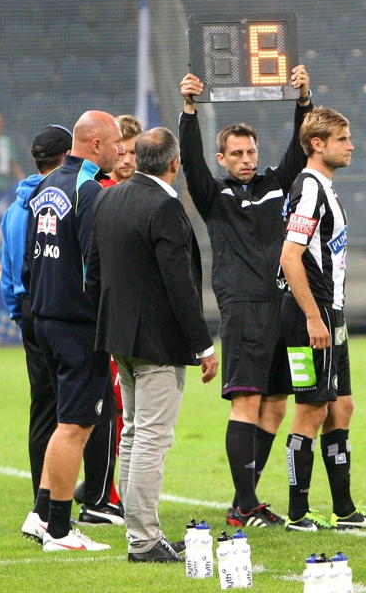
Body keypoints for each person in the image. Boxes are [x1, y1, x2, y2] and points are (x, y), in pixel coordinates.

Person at [179, 67, 312, 527]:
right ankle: (245, 502)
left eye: (251, 151)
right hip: (243, 309)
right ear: (222, 159)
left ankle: (246, 500)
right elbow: (191, 164)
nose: (246, 158)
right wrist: (189, 110)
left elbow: (299, 149)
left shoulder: (276, 185)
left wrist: (303, 100)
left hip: (281, 304)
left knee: (276, 403)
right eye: (236, 153)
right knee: (247, 401)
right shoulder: (214, 196)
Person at [87, 126, 219, 563]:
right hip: (157, 343)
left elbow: (93, 270)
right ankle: (144, 540)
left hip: (119, 337)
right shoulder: (164, 205)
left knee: (132, 435)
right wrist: (203, 346)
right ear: (174, 163)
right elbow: (179, 284)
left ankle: (138, 534)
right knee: (151, 439)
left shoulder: (108, 197)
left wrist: (110, 319)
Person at [1, 124, 123, 530]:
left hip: (45, 319)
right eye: (117, 143)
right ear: (96, 144)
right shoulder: (87, 191)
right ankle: (59, 528)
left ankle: (41, 515)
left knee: (59, 421)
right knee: (76, 426)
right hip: (78, 324)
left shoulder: (45, 186)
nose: (121, 151)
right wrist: (105, 316)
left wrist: (37, 306)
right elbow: (96, 264)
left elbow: (30, 262)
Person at [279, 107, 366, 531]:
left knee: (341, 405)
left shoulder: (324, 188)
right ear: (317, 144)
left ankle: (344, 510)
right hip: (312, 314)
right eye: (343, 139)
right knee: (311, 408)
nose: (351, 145)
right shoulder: (309, 188)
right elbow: (290, 257)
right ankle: (296, 513)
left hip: (331, 312)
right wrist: (312, 316)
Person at [75, 113, 143, 510]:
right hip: (107, 318)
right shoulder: (98, 192)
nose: (126, 157)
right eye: (122, 149)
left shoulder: (132, 193)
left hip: (125, 317)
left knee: (120, 413)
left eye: (134, 151)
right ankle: (104, 494)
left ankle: (103, 490)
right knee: (111, 412)